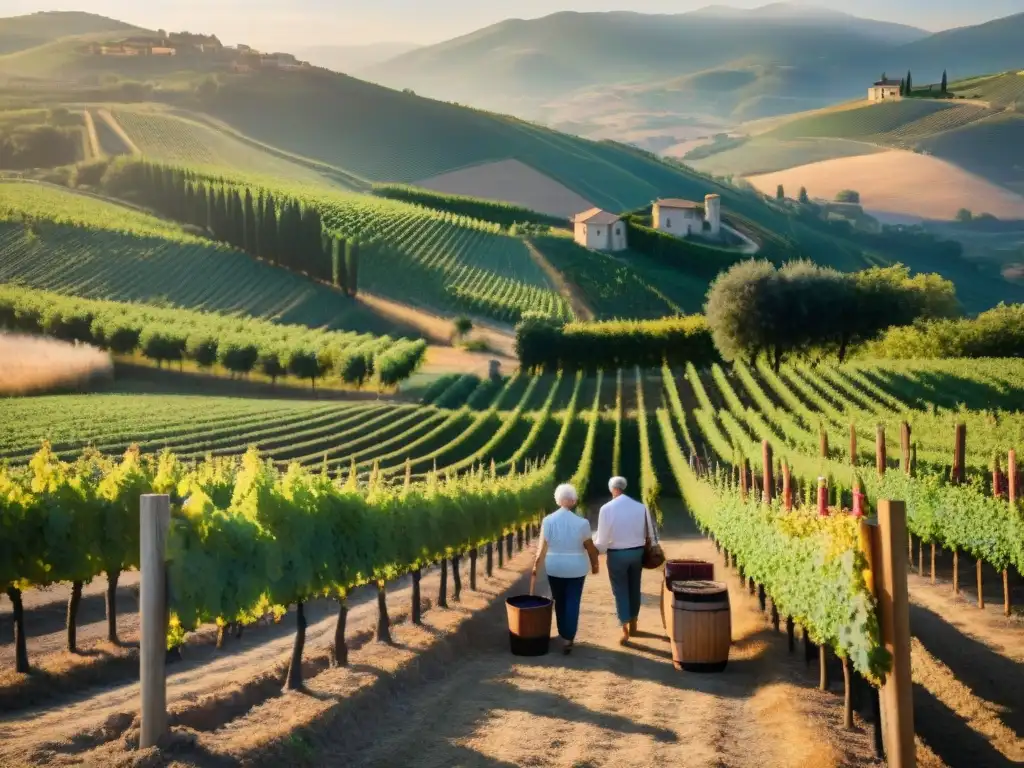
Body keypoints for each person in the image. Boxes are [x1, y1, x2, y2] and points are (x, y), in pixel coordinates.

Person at [532, 483, 600, 654]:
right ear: (573, 500)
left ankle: (563, 632)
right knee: (573, 600)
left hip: (554, 567)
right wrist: (595, 565)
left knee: (559, 600)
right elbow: (590, 547)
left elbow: (541, 548)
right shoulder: (582, 523)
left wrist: (535, 566)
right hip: (576, 567)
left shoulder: (548, 521)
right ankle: (569, 637)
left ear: (557, 499)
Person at [594, 476, 659, 645]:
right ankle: (634, 623)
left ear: (611, 489)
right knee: (634, 586)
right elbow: (650, 532)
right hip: (637, 554)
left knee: (620, 590)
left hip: (616, 555)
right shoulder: (640, 507)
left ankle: (624, 627)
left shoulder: (606, 509)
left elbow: (601, 541)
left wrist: (595, 551)